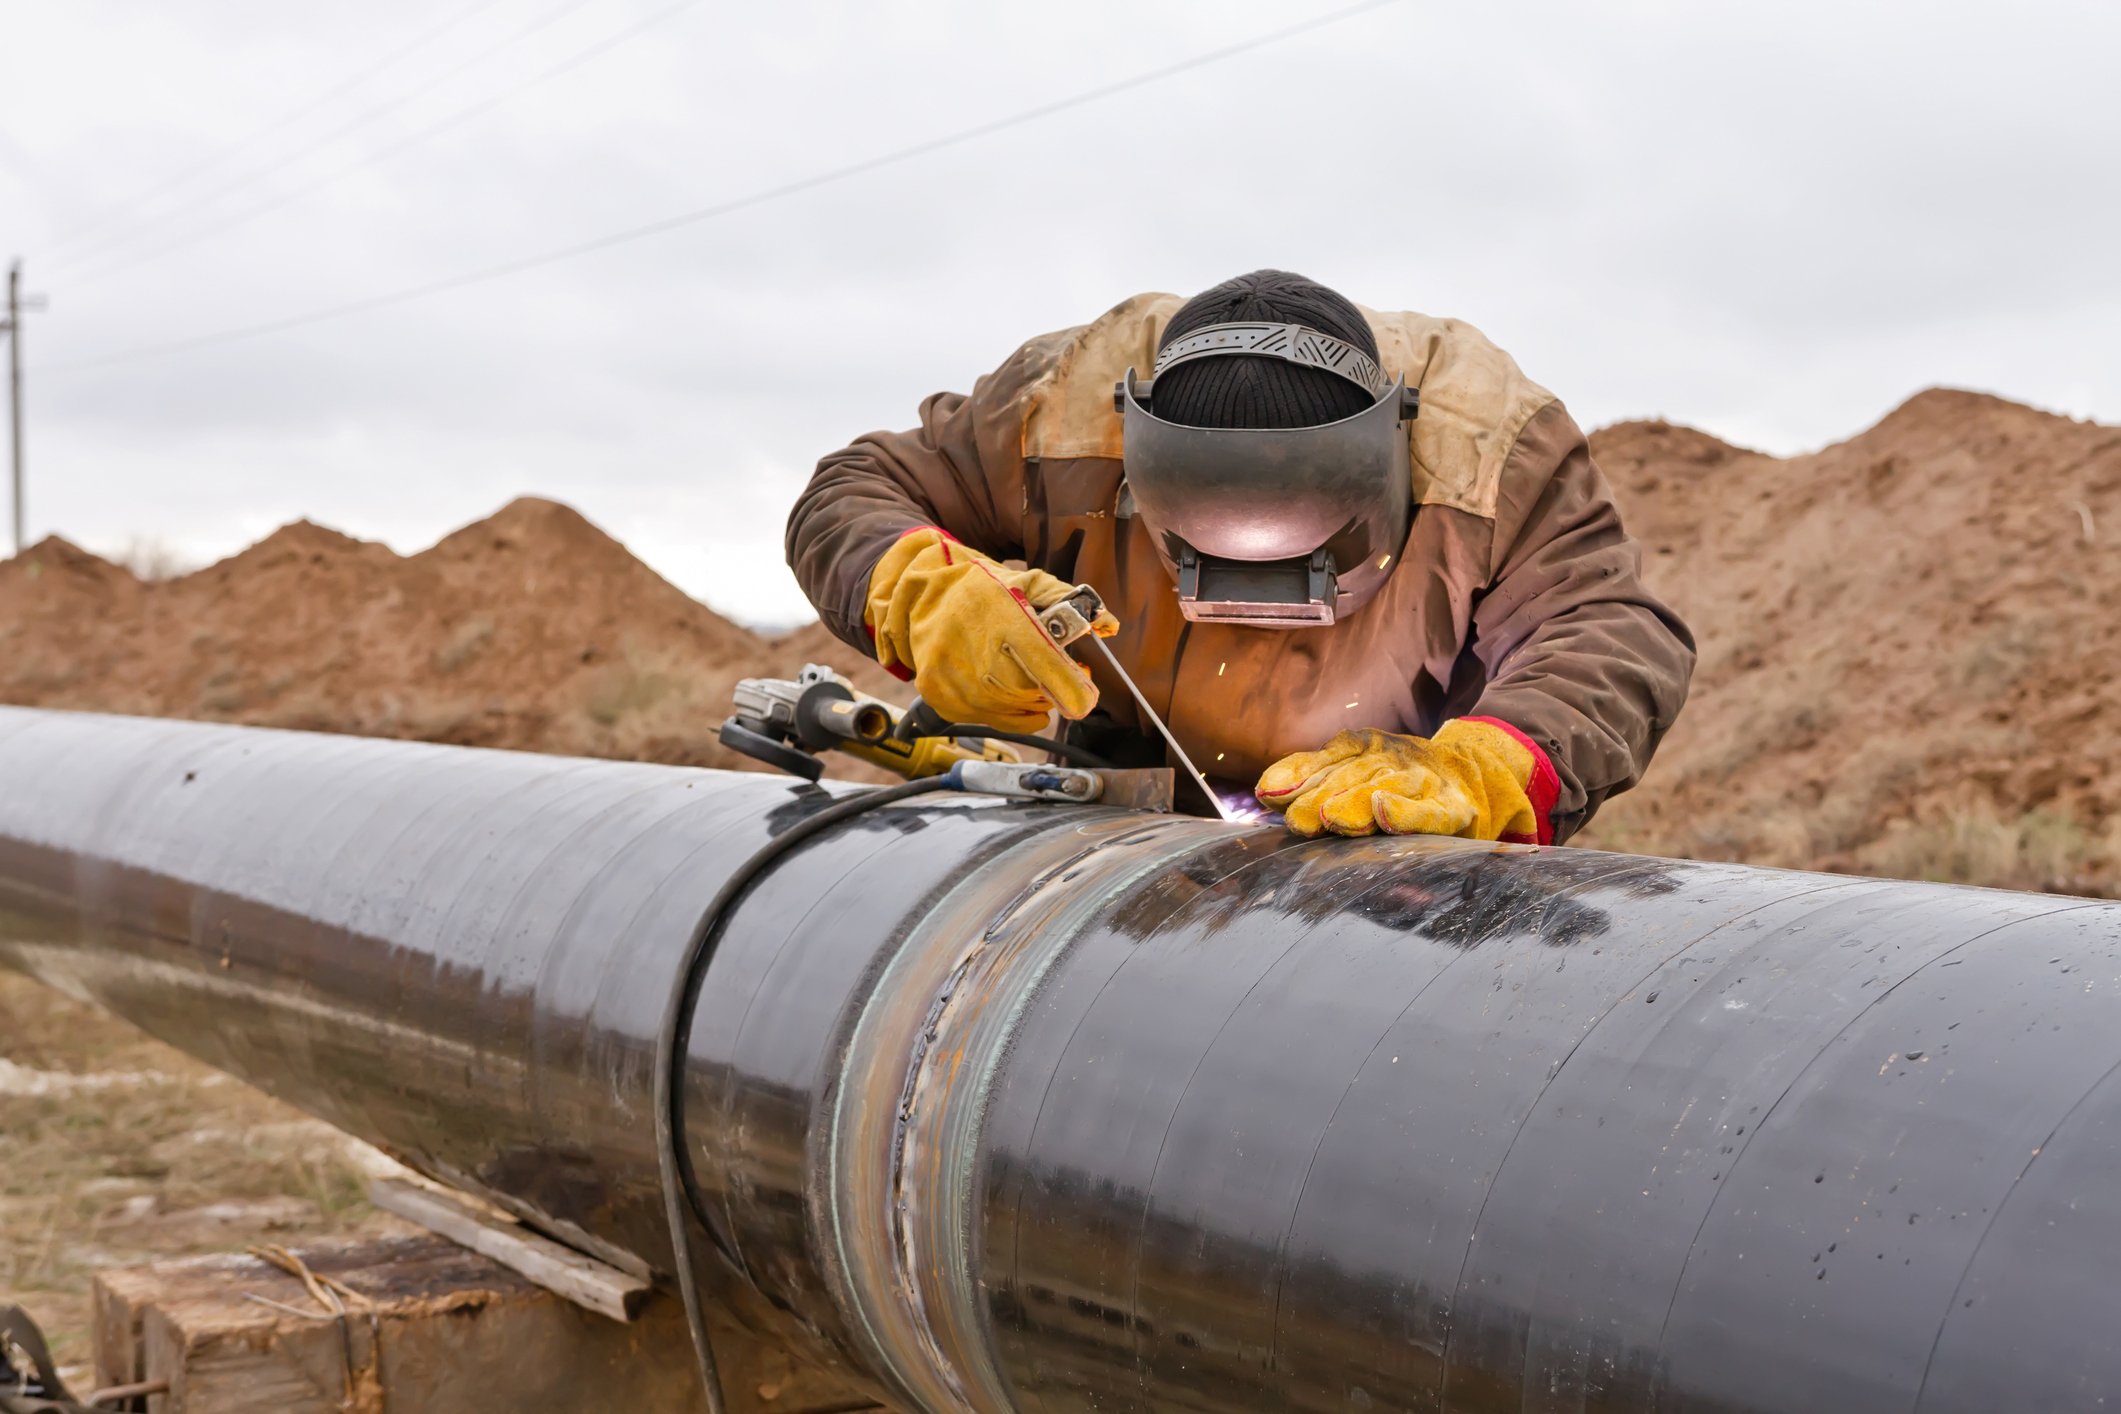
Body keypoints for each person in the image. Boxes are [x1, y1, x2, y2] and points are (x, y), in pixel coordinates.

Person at [785, 270, 1692, 844]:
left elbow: (1606, 629)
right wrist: (921, 586)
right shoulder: (1056, 413)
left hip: (1386, 847)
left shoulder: (1489, 453)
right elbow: (854, 491)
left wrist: (1491, 763)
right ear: (1135, 456)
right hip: (1113, 820)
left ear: (1394, 450)